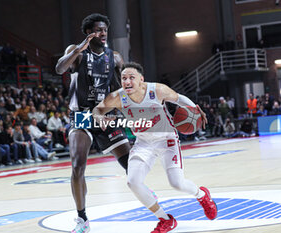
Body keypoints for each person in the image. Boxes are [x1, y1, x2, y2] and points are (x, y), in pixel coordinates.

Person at [93, 62, 217, 233]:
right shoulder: (117, 97)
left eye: (131, 78)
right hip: (143, 143)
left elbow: (179, 98)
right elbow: (97, 110)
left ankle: (202, 195)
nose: (127, 81)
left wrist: (194, 109)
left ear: (141, 80)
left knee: (177, 184)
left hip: (167, 140)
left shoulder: (157, 90)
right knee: (133, 181)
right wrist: (99, 117)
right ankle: (165, 220)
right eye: (123, 78)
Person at [55, 13, 131, 233]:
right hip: (81, 116)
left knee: (131, 166)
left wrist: (126, 112)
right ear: (88, 33)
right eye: (98, 30)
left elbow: (120, 89)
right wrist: (79, 48)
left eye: (105, 29)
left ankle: (150, 201)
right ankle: (82, 219)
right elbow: (60, 69)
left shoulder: (115, 57)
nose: (103, 33)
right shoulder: (76, 52)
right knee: (78, 165)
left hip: (104, 115)